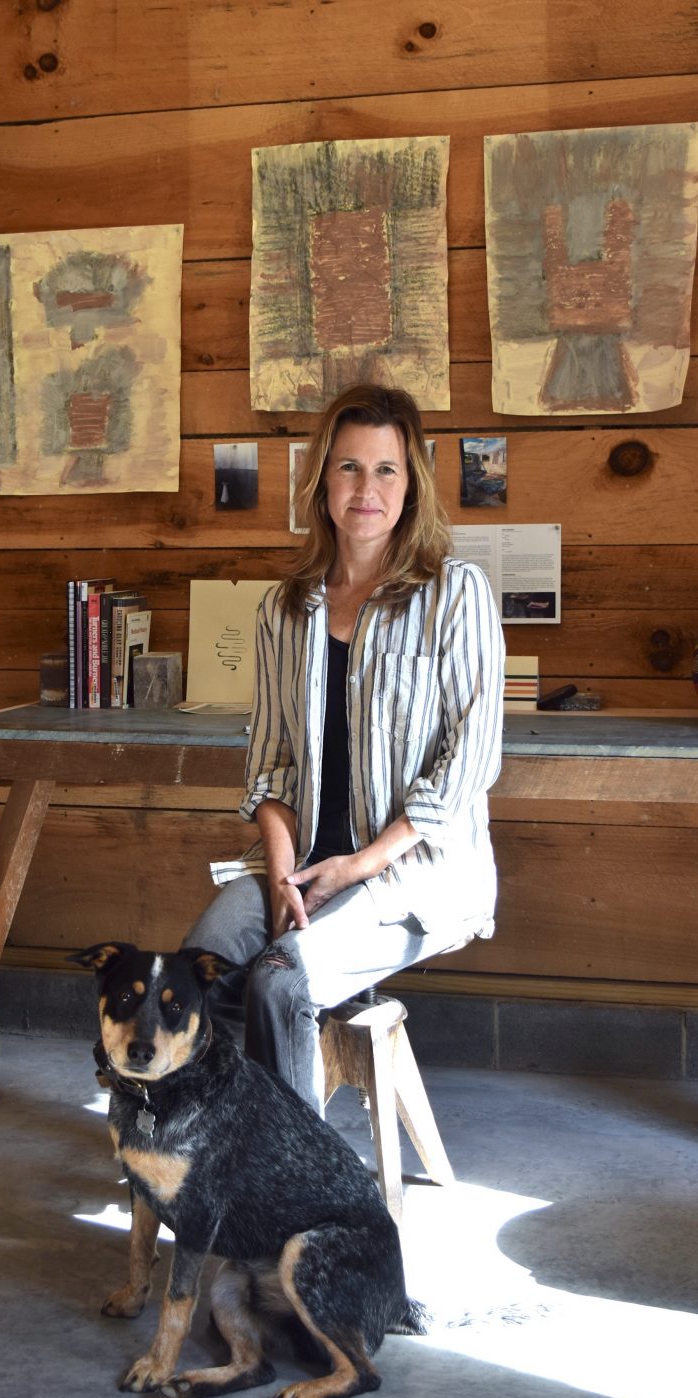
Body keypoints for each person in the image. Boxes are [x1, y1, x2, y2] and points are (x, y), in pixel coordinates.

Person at [183, 383, 504, 1116]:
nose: (367, 488)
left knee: (280, 981)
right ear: (322, 481)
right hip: (304, 860)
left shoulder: (456, 594)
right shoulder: (284, 609)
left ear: (411, 483)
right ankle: (212, 1157)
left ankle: (304, 1195)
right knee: (194, 971)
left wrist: (359, 864)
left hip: (406, 873)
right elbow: (269, 760)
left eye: (386, 469)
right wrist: (278, 870)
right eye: (349, 467)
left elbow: (470, 763)